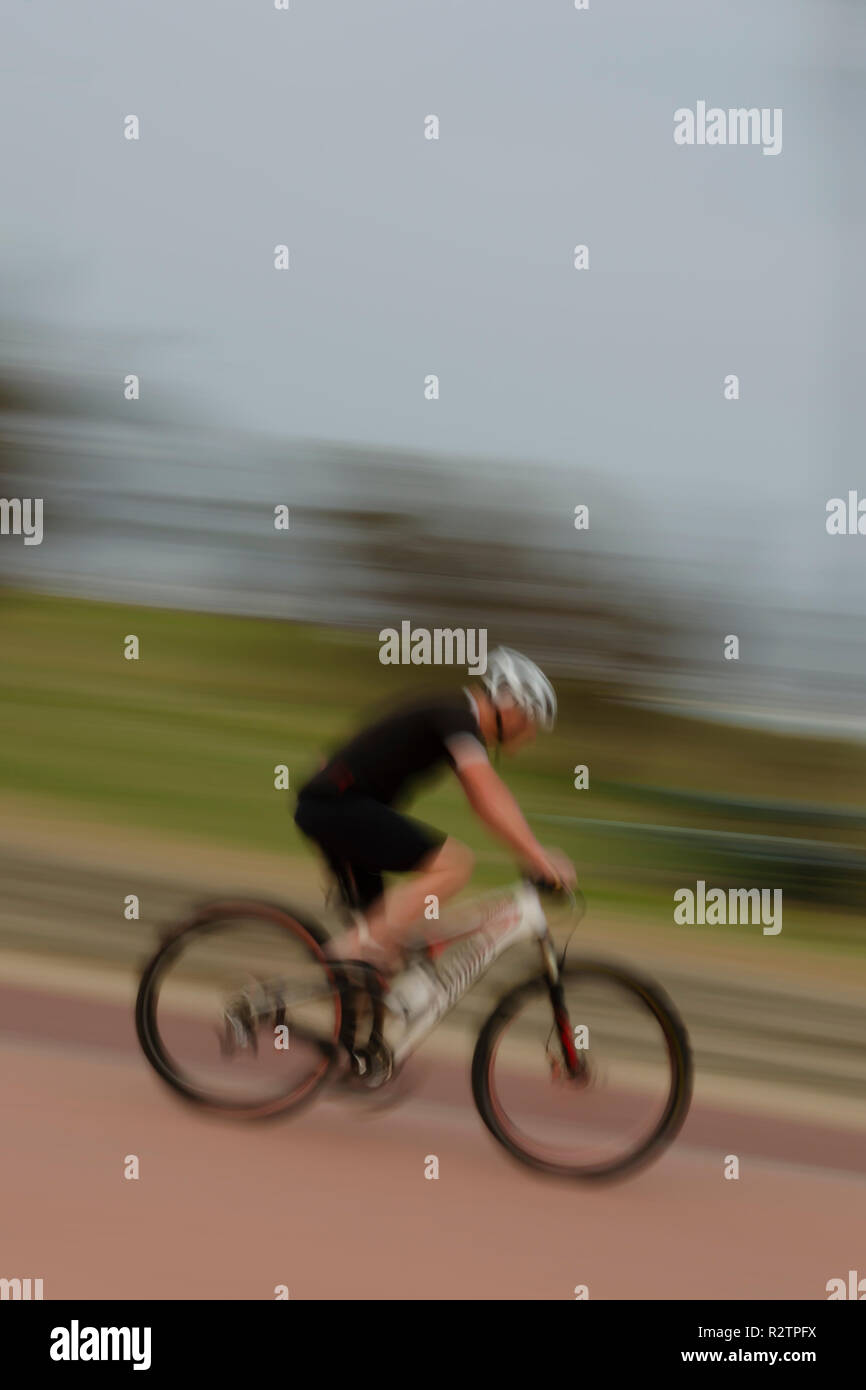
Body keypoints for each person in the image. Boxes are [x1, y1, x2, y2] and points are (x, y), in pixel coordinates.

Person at [293, 647, 577, 975]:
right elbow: (486, 792)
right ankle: (344, 954)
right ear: (508, 704)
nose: (528, 735)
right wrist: (537, 856)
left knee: (384, 964)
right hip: (335, 807)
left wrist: (530, 853)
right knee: (453, 866)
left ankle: (349, 991)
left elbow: (481, 798)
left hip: (338, 809)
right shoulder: (455, 715)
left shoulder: (455, 721)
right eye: (529, 722)